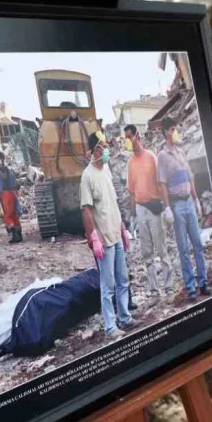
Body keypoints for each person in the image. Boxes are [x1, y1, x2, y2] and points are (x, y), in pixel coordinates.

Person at [81, 131, 133, 338]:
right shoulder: (87, 176)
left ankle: (125, 317)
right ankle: (111, 327)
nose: (107, 149)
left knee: (123, 280)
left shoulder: (106, 171)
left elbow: (112, 203)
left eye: (106, 145)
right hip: (104, 239)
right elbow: (86, 209)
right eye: (102, 146)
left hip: (116, 234)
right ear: (95, 150)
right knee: (108, 285)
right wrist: (94, 237)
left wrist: (122, 229)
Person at [157, 118, 209, 301]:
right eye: (173, 128)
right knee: (184, 249)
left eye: (176, 127)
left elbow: (190, 177)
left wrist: (196, 199)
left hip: (188, 202)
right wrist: (167, 208)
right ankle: (191, 288)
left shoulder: (181, 152)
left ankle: (203, 282)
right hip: (177, 205)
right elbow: (162, 184)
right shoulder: (162, 156)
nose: (176, 131)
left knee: (197, 244)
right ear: (166, 132)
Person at [124, 124, 172, 297]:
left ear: (137, 136)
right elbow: (131, 191)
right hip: (140, 207)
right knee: (146, 251)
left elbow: (161, 182)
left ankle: (168, 286)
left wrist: (166, 207)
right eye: (126, 138)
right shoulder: (130, 163)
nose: (128, 141)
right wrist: (132, 216)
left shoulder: (151, 157)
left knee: (161, 248)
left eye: (130, 137)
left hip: (154, 207)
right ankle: (153, 289)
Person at [0, 151, 23, 243]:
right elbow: (15, 183)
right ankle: (19, 234)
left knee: (7, 216)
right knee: (14, 215)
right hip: (13, 193)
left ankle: (14, 235)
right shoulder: (9, 170)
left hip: (5, 194)